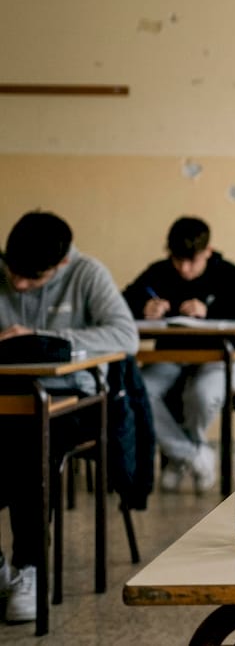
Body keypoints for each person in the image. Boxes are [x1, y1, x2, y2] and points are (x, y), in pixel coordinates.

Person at [0, 211, 139, 623]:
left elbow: (125, 336)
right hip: (7, 399)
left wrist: (44, 339)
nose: (18, 285)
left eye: (32, 278)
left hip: (72, 402)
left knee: (29, 448)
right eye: (12, 272)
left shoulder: (87, 273)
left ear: (61, 263)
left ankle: (29, 568)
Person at [122, 217, 235, 494]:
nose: (184, 268)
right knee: (137, 391)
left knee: (201, 395)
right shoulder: (159, 272)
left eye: (191, 261)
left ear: (208, 251)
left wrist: (210, 311)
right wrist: (143, 307)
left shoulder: (227, 273)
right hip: (171, 357)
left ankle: (179, 458)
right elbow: (121, 304)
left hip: (221, 359)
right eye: (177, 260)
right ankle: (193, 455)